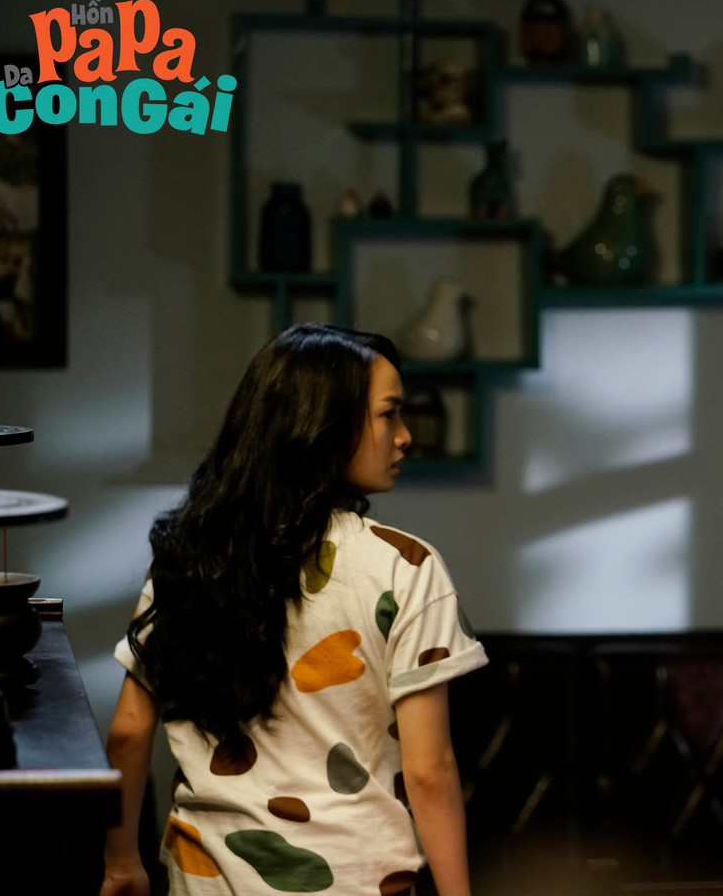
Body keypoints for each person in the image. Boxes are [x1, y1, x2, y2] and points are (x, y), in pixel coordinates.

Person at [99, 324, 487, 896]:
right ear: (324, 425)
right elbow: (429, 772)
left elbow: (129, 731)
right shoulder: (405, 568)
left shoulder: (190, 557)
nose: (405, 436)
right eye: (389, 414)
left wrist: (120, 862)